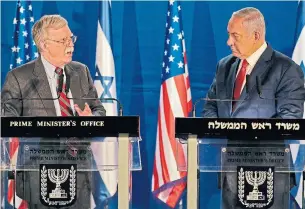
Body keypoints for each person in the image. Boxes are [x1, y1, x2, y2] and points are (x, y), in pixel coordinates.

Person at [202, 7, 305, 209]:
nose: (228, 42)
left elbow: (290, 118)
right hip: (230, 169)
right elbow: (209, 108)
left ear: (256, 35)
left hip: (269, 172)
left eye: (235, 36)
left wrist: (242, 130)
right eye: (228, 34)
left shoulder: (286, 68)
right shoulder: (225, 66)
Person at [1, 15, 105, 209]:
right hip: (37, 174)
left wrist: (91, 119)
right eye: (62, 40)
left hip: (80, 172)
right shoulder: (19, 78)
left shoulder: (81, 72)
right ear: (44, 45)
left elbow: (99, 111)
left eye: (71, 38)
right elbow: (6, 122)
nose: (70, 45)